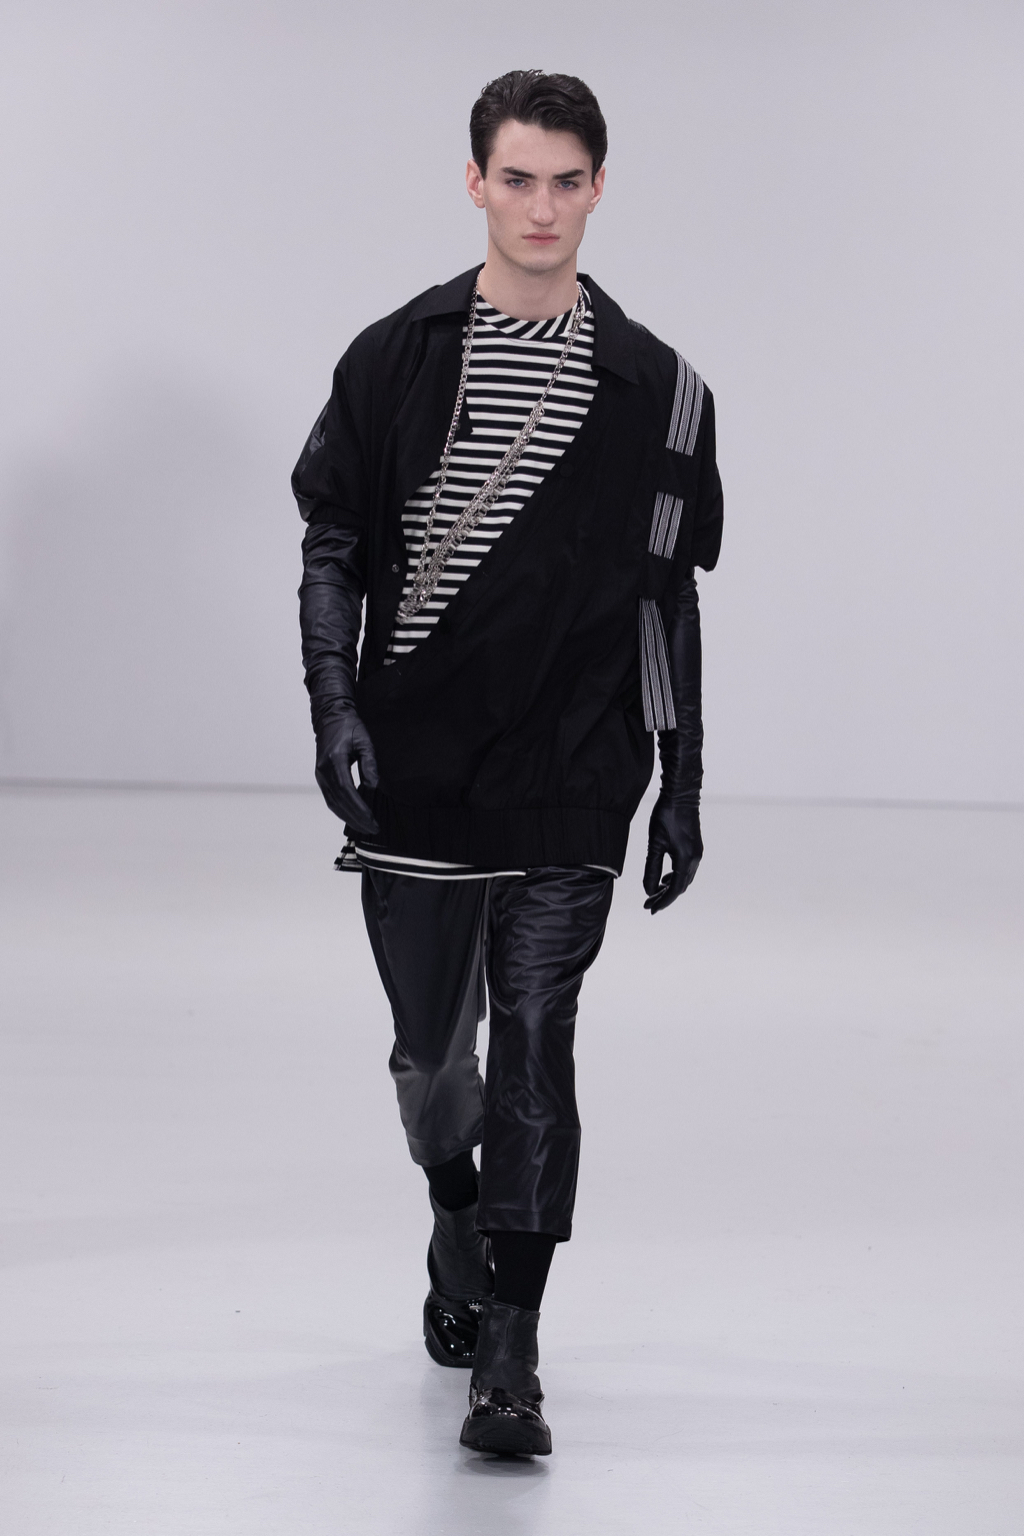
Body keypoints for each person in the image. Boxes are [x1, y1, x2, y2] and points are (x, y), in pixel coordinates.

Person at [292, 68, 723, 1457]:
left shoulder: (662, 390)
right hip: (419, 765)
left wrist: (681, 774)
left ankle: (513, 1357)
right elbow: (334, 546)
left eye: (567, 181)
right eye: (518, 179)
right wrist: (335, 708)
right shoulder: (395, 357)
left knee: (538, 1038)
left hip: (576, 767)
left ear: (599, 189)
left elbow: (666, 598)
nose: (542, 207)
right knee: (436, 1059)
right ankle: (453, 1210)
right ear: (475, 182)